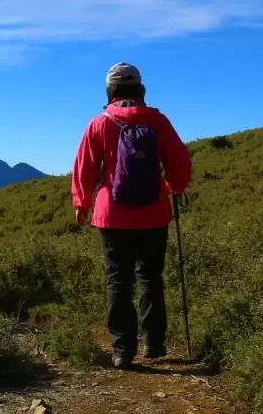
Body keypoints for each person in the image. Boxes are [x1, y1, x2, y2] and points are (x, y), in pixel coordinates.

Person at [71, 62, 192, 369]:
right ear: (141, 89)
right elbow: (179, 162)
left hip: (112, 215)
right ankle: (154, 342)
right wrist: (174, 187)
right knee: (151, 277)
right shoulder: (158, 121)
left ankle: (122, 350)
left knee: (118, 281)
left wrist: (82, 203)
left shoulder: (100, 123)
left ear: (110, 91)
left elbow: (84, 166)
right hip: (154, 213)